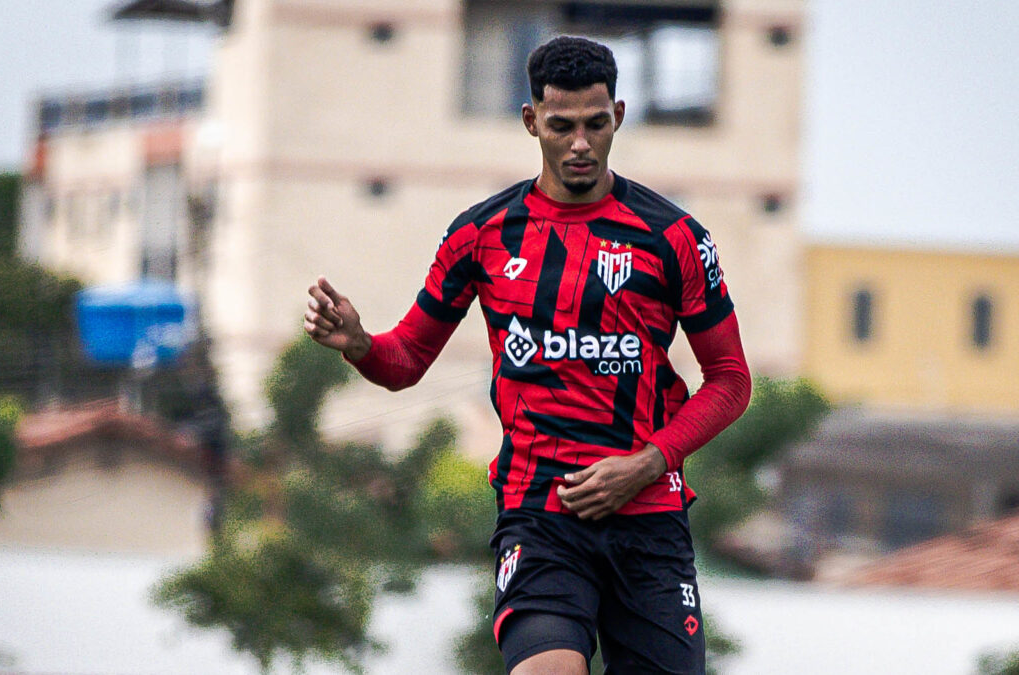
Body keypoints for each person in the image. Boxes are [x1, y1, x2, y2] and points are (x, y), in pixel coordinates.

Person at [304, 35, 750, 675]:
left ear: (618, 117)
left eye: (596, 125)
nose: (579, 144)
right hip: (541, 514)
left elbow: (731, 380)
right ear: (530, 121)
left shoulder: (673, 237)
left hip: (649, 520)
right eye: (561, 125)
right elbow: (405, 360)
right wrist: (361, 345)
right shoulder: (480, 233)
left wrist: (649, 461)